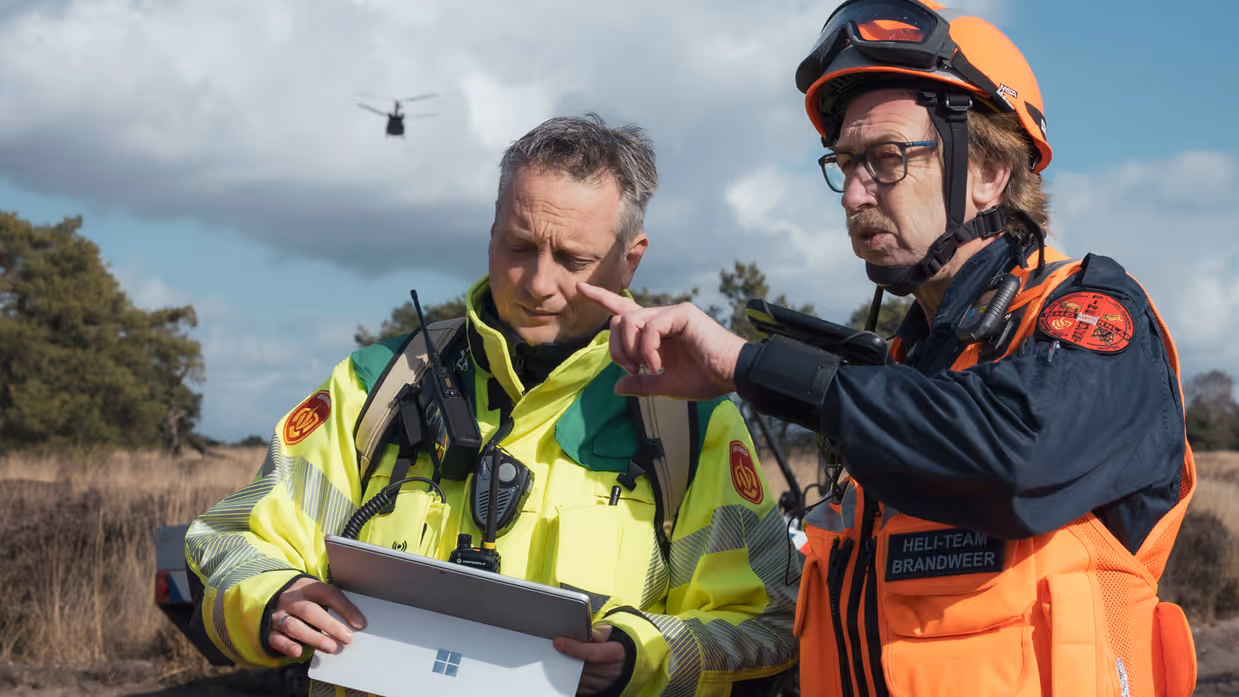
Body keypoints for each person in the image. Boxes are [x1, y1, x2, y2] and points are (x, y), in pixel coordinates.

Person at [578, 2, 1198, 695]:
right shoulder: (902, 371)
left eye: (885, 159)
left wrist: (747, 366)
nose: (851, 194)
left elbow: (1015, 457)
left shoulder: (1088, 315)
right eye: (844, 163)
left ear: (989, 169)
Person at [184, 114, 798, 697]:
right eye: (519, 246)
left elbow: (768, 624)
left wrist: (642, 655)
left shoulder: (687, 415)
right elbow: (228, 542)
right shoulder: (374, 383)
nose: (537, 283)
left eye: (574, 261)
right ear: (492, 228)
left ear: (629, 260)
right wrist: (271, 597)